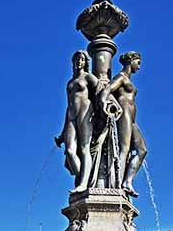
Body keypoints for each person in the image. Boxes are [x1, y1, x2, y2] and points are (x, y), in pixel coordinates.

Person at [99, 51, 147, 197]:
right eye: (137, 62)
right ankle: (117, 183)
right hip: (124, 112)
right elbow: (107, 89)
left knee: (142, 150)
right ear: (130, 61)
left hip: (132, 117)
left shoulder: (128, 80)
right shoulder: (121, 77)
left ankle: (127, 181)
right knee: (124, 149)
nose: (139, 66)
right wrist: (103, 102)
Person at [56, 50, 100, 193]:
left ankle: (83, 183)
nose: (78, 62)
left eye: (81, 59)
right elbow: (68, 104)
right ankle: (82, 177)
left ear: (86, 62)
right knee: (69, 150)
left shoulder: (88, 77)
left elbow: (101, 90)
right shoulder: (69, 82)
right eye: (76, 60)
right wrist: (62, 133)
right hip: (71, 115)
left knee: (84, 148)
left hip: (85, 111)